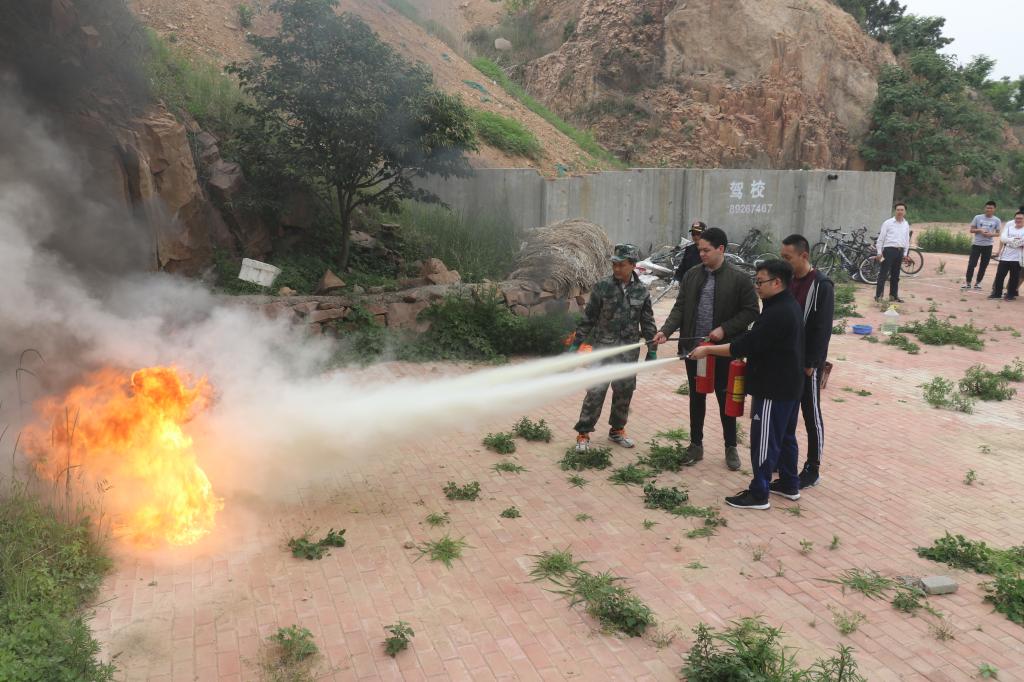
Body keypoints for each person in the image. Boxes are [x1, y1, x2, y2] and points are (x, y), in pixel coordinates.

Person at [689, 259, 805, 510]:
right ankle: (789, 483)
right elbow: (760, 342)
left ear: (777, 282)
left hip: (774, 388)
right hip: (790, 385)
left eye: (760, 282)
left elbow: (745, 345)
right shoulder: (787, 304)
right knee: (785, 436)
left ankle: (759, 493)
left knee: (764, 439)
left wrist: (708, 351)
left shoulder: (778, 313)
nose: (756, 286)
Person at [651, 227, 758, 470]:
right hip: (695, 350)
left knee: (724, 397)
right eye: (700, 250)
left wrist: (724, 329)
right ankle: (695, 445)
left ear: (721, 249)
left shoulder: (739, 278)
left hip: (722, 351)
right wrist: (665, 331)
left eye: (706, 250)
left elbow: (751, 311)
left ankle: (730, 447)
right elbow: (680, 307)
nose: (702, 254)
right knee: (697, 397)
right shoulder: (692, 275)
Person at [571, 243, 658, 451]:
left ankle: (617, 430)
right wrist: (576, 342)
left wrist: (652, 349)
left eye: (621, 264)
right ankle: (583, 433)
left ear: (633, 265)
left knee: (624, 392)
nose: (616, 268)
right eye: (614, 264)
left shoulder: (641, 291)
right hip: (603, 349)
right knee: (595, 391)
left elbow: (647, 322)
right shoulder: (603, 287)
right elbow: (589, 318)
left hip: (628, 352)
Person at [780, 235, 834, 489]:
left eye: (788, 257)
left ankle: (813, 467)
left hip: (807, 364)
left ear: (804, 256)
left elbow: (822, 329)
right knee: (786, 413)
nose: (784, 262)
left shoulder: (821, 285)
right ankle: (782, 460)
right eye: (782, 257)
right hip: (787, 360)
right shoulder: (787, 281)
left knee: (811, 414)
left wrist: (812, 362)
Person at [875, 203, 911, 303]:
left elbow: (906, 240)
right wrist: (879, 252)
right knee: (883, 274)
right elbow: (881, 239)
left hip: (900, 251)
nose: (900, 212)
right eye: (898, 210)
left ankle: (893, 296)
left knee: (896, 275)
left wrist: (905, 254)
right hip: (888, 251)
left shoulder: (906, 224)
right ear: (895, 211)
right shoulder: (888, 223)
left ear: (905, 212)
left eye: (902, 210)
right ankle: (878, 296)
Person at [962, 201, 1002, 290]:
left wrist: (990, 234)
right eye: (987, 207)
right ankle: (968, 283)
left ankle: (978, 283)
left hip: (988, 246)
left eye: (991, 208)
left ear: (994, 209)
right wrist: (980, 230)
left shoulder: (997, 220)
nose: (989, 209)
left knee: (984, 265)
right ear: (984, 208)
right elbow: (971, 230)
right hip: (976, 245)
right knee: (971, 264)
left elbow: (998, 233)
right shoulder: (977, 217)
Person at [988, 211, 1024, 301]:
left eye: (1020, 218)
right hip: (1004, 257)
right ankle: (997, 294)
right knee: (1000, 276)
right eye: (1017, 218)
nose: (1018, 220)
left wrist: (1009, 240)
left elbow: (1021, 242)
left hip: (1017, 258)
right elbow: (1003, 238)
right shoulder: (1009, 228)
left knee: (1014, 278)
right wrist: (1013, 240)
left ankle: (1010, 295)